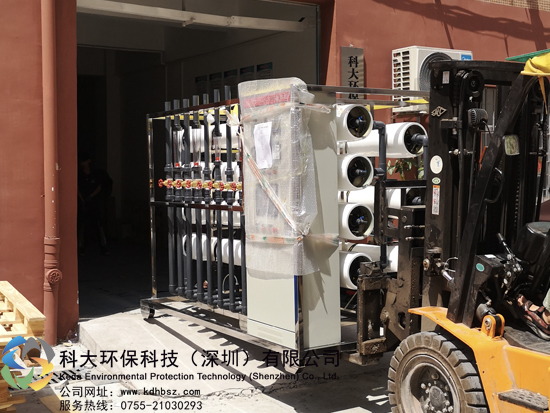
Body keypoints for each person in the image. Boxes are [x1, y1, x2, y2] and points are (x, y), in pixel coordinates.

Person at [78, 152, 112, 255]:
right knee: (82, 225)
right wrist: (82, 200)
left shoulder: (96, 173)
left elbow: (99, 186)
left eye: (84, 161)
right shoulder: (79, 174)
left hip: (94, 202)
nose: (82, 163)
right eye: (81, 162)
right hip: (83, 202)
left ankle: (103, 247)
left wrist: (91, 196)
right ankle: (81, 247)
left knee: (98, 225)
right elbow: (77, 188)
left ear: (88, 161)